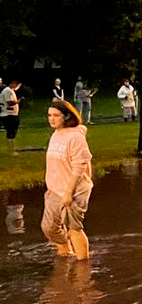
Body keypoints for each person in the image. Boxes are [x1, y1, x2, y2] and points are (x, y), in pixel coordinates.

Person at [42, 100, 94, 261]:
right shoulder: (56, 134)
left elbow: (81, 165)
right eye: (50, 115)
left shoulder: (75, 137)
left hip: (73, 189)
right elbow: (53, 164)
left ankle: (83, 267)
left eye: (56, 115)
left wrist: (69, 193)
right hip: (55, 189)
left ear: (66, 116)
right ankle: (66, 252)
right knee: (49, 227)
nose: (52, 119)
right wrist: (51, 185)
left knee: (74, 229)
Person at [1, 78, 22, 155]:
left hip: (12, 114)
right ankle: (11, 151)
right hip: (8, 114)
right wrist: (19, 101)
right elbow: (9, 102)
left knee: (13, 131)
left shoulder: (10, 90)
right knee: (11, 132)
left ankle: (12, 149)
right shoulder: (7, 91)